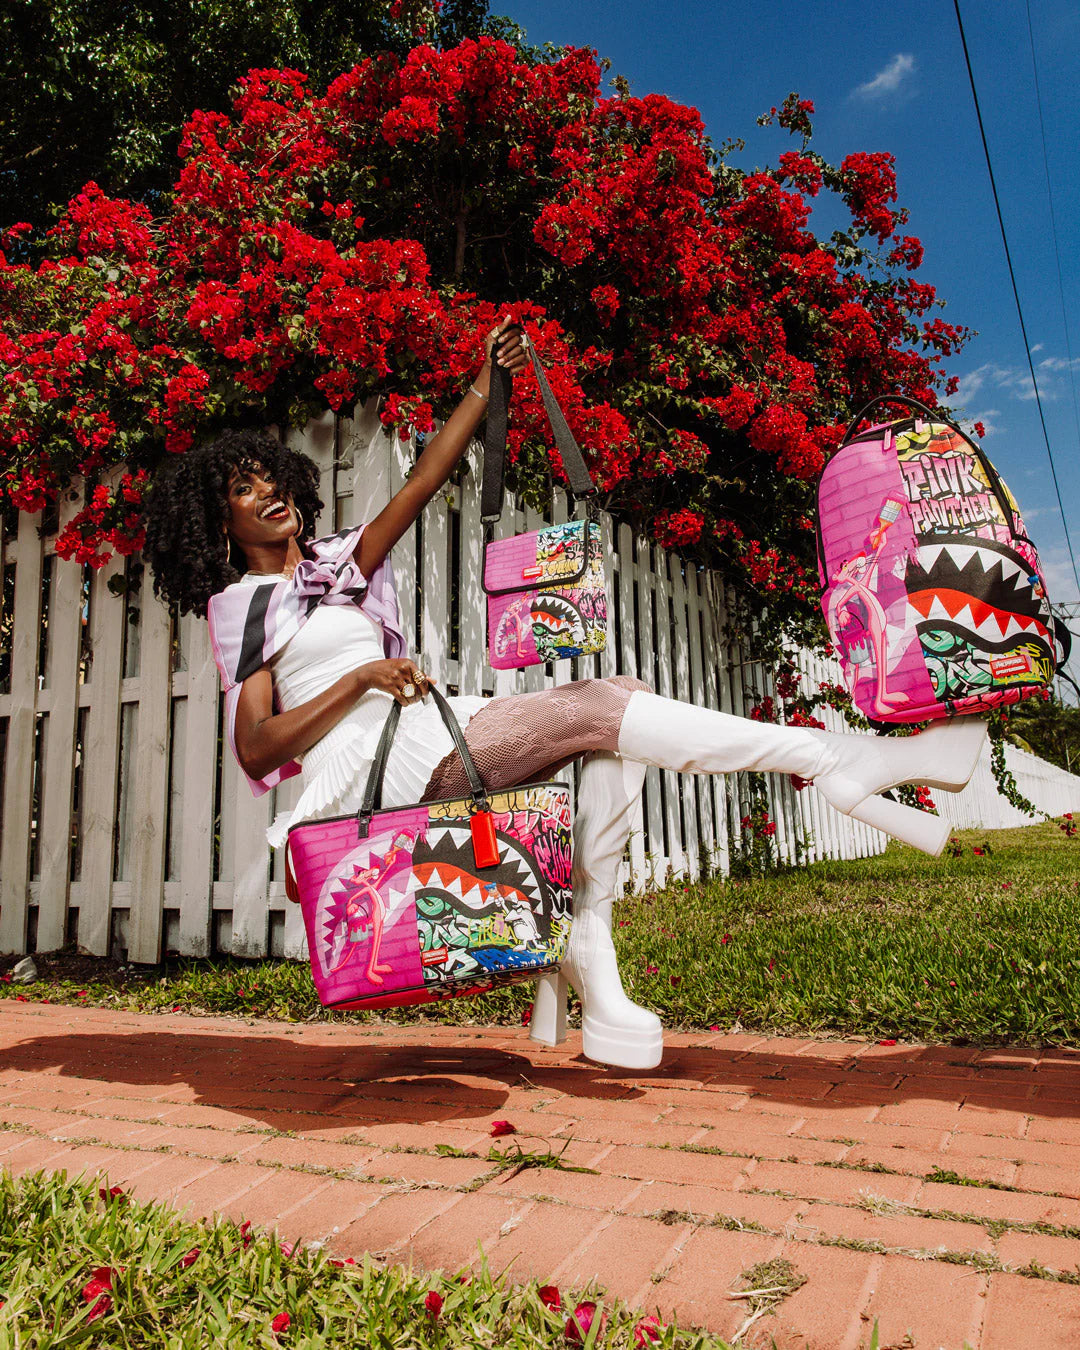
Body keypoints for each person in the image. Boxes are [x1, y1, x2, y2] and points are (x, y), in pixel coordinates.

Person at [145, 319, 987, 1071]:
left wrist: (488, 378)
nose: (268, 492)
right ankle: (836, 760)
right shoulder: (241, 608)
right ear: (221, 524)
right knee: (596, 712)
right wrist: (361, 677)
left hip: (425, 731)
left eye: (270, 475)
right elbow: (257, 747)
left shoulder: (341, 566)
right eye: (244, 489)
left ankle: (591, 950)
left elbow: (427, 478)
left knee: (613, 704)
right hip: (372, 767)